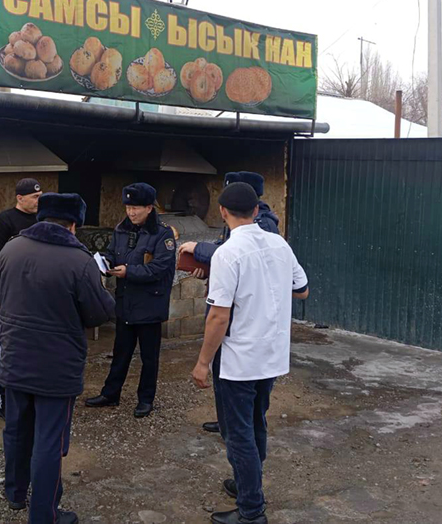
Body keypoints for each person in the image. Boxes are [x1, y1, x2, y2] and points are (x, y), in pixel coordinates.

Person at [0, 192, 115, 524]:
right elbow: (98, 314)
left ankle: (15, 492)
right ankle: (44, 514)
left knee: (16, 430)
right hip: (56, 369)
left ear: (41, 217)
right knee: (49, 441)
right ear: (74, 224)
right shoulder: (80, 261)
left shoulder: (11, 249)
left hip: (14, 360)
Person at [190, 182, 309, 524]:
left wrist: (202, 363)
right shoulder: (279, 244)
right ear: (256, 211)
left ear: (222, 212)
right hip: (271, 354)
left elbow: (218, 316)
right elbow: (302, 290)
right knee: (257, 421)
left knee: (237, 432)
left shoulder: (228, 253)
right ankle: (248, 482)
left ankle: (252, 510)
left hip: (239, 359)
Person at [179, 171, 280, 435]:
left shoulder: (263, 225)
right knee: (225, 379)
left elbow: (236, 255)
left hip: (245, 323)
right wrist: (208, 267)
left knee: (244, 396)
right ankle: (227, 421)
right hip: (239, 317)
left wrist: (198, 248)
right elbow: (227, 252)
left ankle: (235, 430)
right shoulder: (242, 222)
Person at [85, 183, 176, 418]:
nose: (131, 213)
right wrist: (104, 263)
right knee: (120, 352)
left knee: (149, 357)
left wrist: (129, 272)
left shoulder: (163, 234)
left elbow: (159, 268)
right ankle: (110, 393)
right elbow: (112, 252)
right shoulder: (121, 229)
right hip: (126, 303)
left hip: (150, 304)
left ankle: (145, 399)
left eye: (136, 208)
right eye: (128, 207)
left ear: (149, 208)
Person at [0, 177, 44, 419]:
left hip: (38, 298)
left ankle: (30, 398)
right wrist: (4, 292)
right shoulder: (3, 221)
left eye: (40, 196)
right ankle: (5, 401)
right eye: (35, 197)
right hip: (13, 299)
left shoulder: (43, 221)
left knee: (34, 351)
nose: (39, 201)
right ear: (20, 198)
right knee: (9, 351)